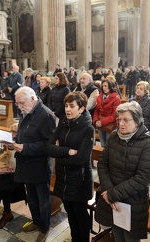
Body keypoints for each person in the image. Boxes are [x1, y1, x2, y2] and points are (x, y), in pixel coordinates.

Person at [95, 101, 150, 241]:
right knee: (117, 235)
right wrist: (110, 193)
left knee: (130, 238)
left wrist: (113, 194)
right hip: (112, 200)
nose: (121, 124)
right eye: (119, 119)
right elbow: (103, 164)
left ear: (137, 121)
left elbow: (142, 178)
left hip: (133, 203)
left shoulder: (146, 143)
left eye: (126, 120)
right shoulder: (114, 136)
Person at [46, 92, 94, 242]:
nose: (67, 109)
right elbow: (48, 147)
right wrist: (67, 151)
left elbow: (80, 159)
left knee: (80, 214)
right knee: (70, 213)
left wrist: (59, 155)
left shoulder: (88, 129)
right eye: (66, 106)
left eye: (72, 106)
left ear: (81, 109)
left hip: (80, 179)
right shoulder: (63, 123)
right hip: (63, 178)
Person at [13, 87, 56, 242]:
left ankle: (44, 227)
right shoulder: (27, 110)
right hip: (25, 163)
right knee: (30, 197)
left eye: (21, 103)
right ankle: (36, 221)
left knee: (43, 201)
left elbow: (48, 145)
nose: (19, 106)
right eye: (17, 103)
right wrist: (17, 138)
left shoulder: (45, 115)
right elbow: (28, 132)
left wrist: (25, 147)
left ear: (32, 98)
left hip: (39, 165)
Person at [93, 79, 121, 147]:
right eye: (103, 86)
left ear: (111, 87)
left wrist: (102, 122)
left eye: (106, 86)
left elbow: (115, 115)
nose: (104, 88)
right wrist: (96, 121)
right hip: (100, 124)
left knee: (109, 146)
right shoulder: (100, 97)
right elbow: (97, 110)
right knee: (102, 144)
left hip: (110, 125)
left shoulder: (116, 99)